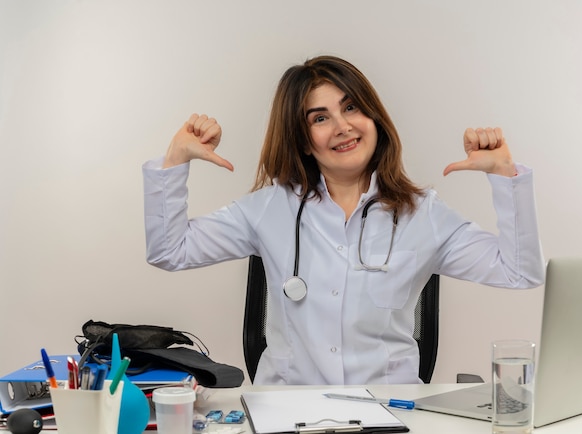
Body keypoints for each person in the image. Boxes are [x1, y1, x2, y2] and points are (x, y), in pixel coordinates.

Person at [142, 55, 545, 385]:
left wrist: (504, 176)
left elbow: (519, 273)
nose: (343, 127)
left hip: (390, 411)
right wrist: (176, 161)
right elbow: (170, 252)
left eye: (351, 107)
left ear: (373, 117)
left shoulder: (423, 214)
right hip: (288, 412)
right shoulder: (270, 208)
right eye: (320, 118)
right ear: (303, 139)